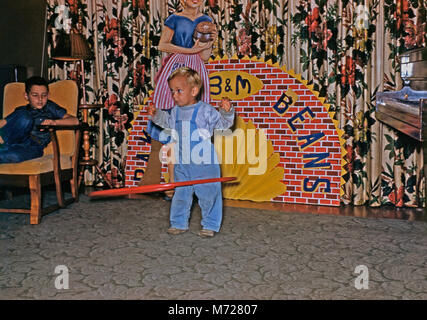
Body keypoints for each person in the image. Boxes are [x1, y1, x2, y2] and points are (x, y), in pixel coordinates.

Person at [140, 0, 216, 196]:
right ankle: (157, 182)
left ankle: (189, 185)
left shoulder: (206, 20)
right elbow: (163, 44)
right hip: (176, 67)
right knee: (167, 119)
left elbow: (205, 56)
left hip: (196, 69)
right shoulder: (174, 18)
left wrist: (209, 43)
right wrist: (190, 50)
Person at [148, 67, 234, 238]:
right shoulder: (176, 111)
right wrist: (156, 115)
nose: (174, 95)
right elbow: (167, 122)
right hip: (183, 162)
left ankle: (210, 224)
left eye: (179, 90)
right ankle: (178, 222)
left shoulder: (205, 110)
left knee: (209, 195)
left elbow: (223, 125)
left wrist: (226, 112)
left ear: (194, 90)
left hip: (204, 164)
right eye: (172, 91)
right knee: (181, 194)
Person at [0, 76, 79, 163]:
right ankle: (3, 141)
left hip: (34, 146)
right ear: (26, 96)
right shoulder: (22, 110)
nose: (40, 99)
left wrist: (55, 122)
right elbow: (3, 122)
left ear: (48, 95)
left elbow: (75, 121)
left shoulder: (50, 107)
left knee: (12, 156)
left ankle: (4, 148)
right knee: (25, 118)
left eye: (44, 95)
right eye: (35, 95)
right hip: (16, 137)